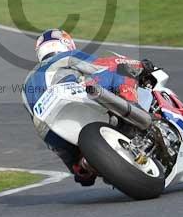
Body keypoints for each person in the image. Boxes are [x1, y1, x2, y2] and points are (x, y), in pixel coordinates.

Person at [23, 29, 155, 186]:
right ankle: (135, 110)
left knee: (80, 171)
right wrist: (140, 66)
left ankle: (82, 166)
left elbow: (33, 116)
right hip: (71, 98)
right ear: (66, 43)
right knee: (118, 70)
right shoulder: (65, 57)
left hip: (49, 128)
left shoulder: (26, 84)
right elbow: (104, 65)